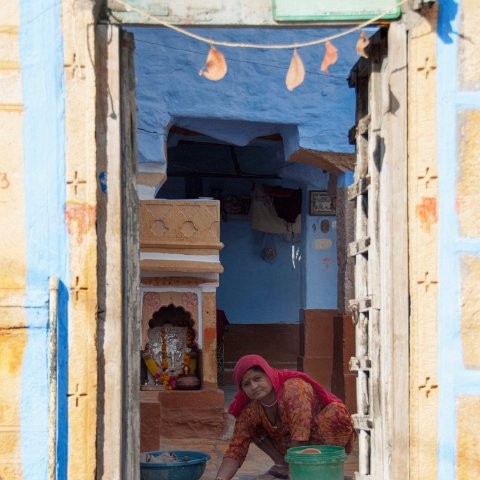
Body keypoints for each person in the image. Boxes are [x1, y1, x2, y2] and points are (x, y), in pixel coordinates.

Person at [215, 355, 356, 480]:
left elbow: (300, 437)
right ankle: (282, 465)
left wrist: (294, 475)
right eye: (246, 384)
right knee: (251, 429)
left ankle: (314, 469)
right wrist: (220, 478)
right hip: (292, 449)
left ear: (268, 375)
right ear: (243, 390)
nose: (254, 386)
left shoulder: (294, 389)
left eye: (257, 379)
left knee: (336, 412)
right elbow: (236, 449)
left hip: (318, 441)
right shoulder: (250, 409)